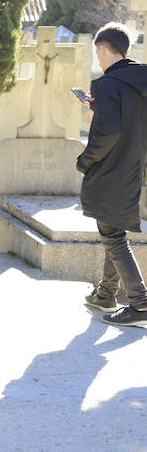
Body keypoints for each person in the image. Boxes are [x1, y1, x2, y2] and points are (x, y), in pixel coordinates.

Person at [78, 23, 147, 328]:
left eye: (98, 52)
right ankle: (106, 293)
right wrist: (99, 107)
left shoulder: (107, 85)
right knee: (114, 230)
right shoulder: (139, 82)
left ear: (103, 49)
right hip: (135, 168)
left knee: (112, 236)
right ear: (128, 51)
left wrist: (85, 161)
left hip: (111, 169)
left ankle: (141, 303)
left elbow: (109, 132)